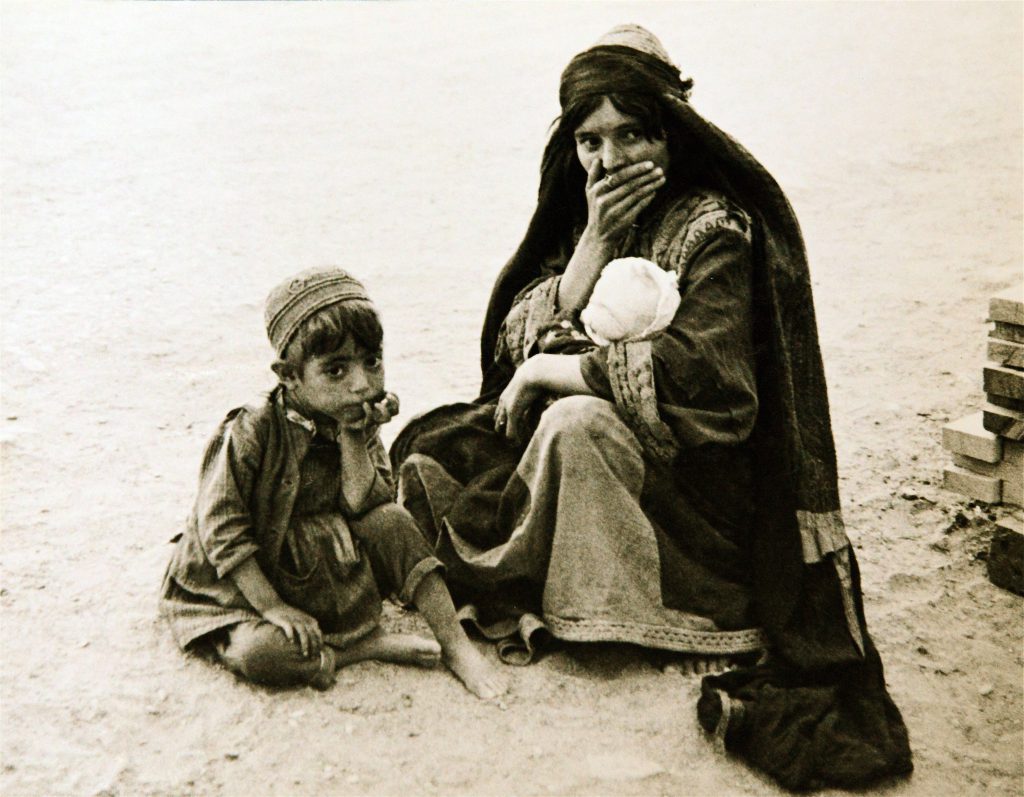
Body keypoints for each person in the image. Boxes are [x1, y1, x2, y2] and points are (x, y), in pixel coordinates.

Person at [391, 25, 912, 790]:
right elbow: (509, 351)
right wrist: (590, 251)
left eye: (631, 134)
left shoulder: (714, 230)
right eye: (590, 140)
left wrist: (552, 374)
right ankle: (531, 568)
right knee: (432, 447)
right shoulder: (584, 219)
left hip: (696, 493)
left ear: (672, 131)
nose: (609, 160)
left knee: (573, 426)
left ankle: (598, 603)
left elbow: (711, 384)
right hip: (612, 460)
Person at [160, 267, 507, 700]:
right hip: (250, 579)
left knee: (394, 521)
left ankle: (456, 645)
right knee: (259, 654)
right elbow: (223, 530)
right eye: (336, 370)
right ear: (289, 376)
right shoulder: (252, 429)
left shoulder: (353, 416)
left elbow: (365, 503)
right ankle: (358, 649)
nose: (362, 383)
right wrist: (273, 608)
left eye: (372, 361)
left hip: (321, 563)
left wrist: (353, 438)